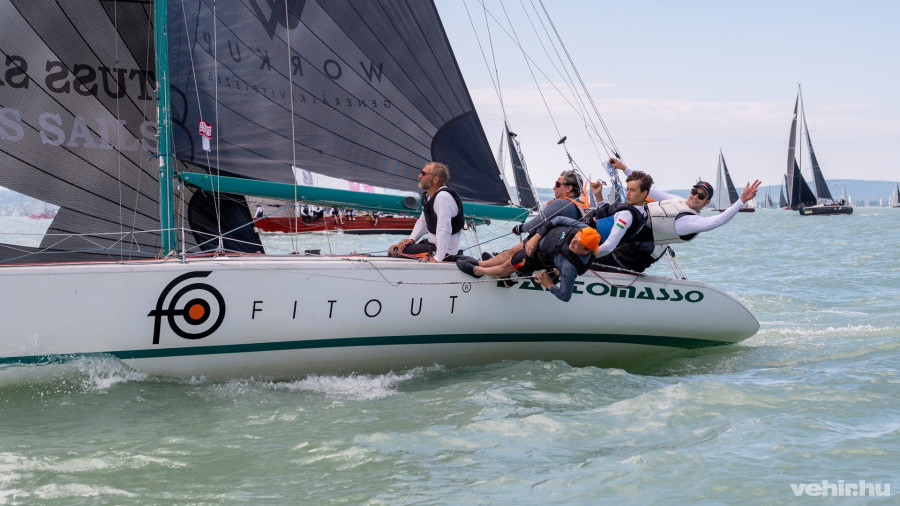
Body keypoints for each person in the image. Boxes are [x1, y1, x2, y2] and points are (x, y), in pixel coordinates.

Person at [595, 158, 761, 271]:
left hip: (635, 254)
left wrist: (741, 200)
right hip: (628, 237)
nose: (695, 196)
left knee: (594, 259)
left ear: (706, 202)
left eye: (701, 196)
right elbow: (649, 189)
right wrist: (624, 168)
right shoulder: (677, 200)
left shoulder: (693, 223)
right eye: (694, 191)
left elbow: (718, 220)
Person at [460, 220, 602, 302]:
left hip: (537, 257)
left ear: (586, 251)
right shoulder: (584, 230)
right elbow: (558, 219)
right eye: (574, 238)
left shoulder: (569, 267)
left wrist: (549, 285)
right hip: (539, 240)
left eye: (577, 244)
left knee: (507, 266)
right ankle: (481, 263)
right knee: (511, 251)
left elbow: (565, 297)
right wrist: (537, 236)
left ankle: (477, 271)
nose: (572, 242)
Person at [476, 170, 588, 268]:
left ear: (568, 188)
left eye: (557, 184)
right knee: (513, 251)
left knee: (513, 252)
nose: (554, 187)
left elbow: (537, 222)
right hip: (559, 250)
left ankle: (481, 265)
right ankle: (490, 263)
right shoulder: (578, 205)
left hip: (546, 248)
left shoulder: (562, 203)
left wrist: (520, 228)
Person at [389, 162, 465, 262]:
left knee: (393, 251)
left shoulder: (442, 197)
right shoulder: (429, 196)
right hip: (432, 245)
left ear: (435, 179)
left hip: (444, 252)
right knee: (397, 248)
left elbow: (444, 229)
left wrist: (438, 258)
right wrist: (412, 239)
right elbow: (423, 221)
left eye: (423, 173)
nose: (419, 176)